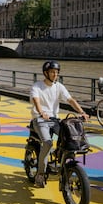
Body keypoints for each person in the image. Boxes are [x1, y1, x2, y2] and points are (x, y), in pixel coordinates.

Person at [30, 60, 89, 188]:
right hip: (40, 120)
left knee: (70, 136)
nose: (55, 75)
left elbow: (70, 100)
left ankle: (61, 156)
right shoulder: (37, 86)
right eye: (52, 72)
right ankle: (40, 174)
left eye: (56, 72)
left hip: (55, 120)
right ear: (46, 73)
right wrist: (41, 112)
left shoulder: (59, 86)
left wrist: (82, 112)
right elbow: (36, 100)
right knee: (47, 142)